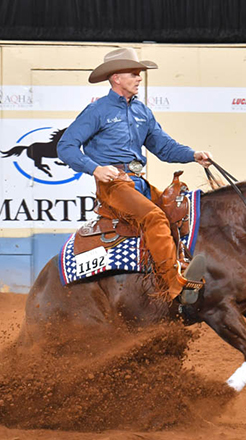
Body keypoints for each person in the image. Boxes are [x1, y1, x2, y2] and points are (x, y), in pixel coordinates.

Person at [57, 47, 212, 304]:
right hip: (113, 184)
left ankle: (179, 264)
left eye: (139, 74)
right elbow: (66, 146)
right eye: (134, 73)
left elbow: (164, 147)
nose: (140, 78)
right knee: (153, 217)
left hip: (137, 182)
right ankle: (175, 287)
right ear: (116, 77)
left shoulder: (142, 112)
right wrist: (95, 168)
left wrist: (192, 154)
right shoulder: (97, 111)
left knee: (179, 211)